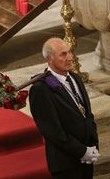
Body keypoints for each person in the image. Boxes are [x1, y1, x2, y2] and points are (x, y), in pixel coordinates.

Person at [29, 37, 99, 179]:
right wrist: (81, 151)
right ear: (49, 59)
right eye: (63, 54)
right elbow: (52, 131)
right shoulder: (41, 89)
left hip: (87, 155)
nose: (70, 57)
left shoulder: (75, 78)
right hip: (65, 163)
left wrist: (92, 146)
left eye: (70, 52)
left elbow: (87, 114)